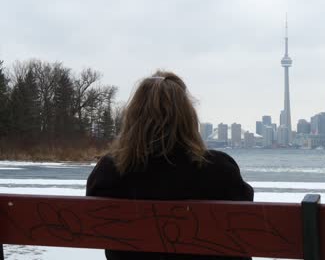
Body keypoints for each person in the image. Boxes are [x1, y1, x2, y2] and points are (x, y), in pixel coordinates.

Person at [86, 71, 254, 260]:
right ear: (188, 118)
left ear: (132, 117)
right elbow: (244, 221)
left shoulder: (109, 171)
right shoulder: (219, 169)